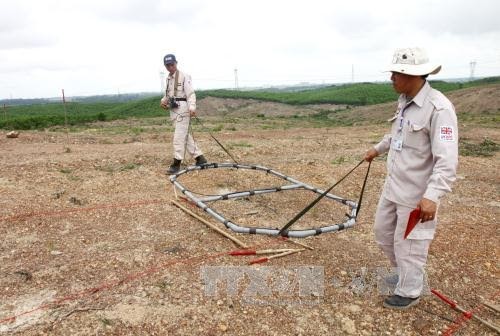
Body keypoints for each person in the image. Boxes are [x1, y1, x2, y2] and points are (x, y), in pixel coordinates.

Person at [364, 47, 458, 309]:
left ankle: (409, 291)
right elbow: (397, 134)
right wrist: (377, 149)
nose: (391, 77)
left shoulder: (439, 109)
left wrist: (432, 196)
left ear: (414, 75)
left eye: (397, 73)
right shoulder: (405, 100)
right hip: (393, 186)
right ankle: (406, 275)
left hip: (417, 195)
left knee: (410, 244)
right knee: (383, 234)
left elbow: (447, 159)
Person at [160, 54, 207, 174]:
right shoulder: (168, 78)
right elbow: (168, 94)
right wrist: (163, 101)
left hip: (183, 110)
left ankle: (176, 163)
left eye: (172, 64)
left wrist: (192, 107)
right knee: (185, 136)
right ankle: (200, 158)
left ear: (176, 63)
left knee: (178, 137)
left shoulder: (184, 76)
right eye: (167, 65)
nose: (170, 67)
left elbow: (191, 93)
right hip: (174, 111)